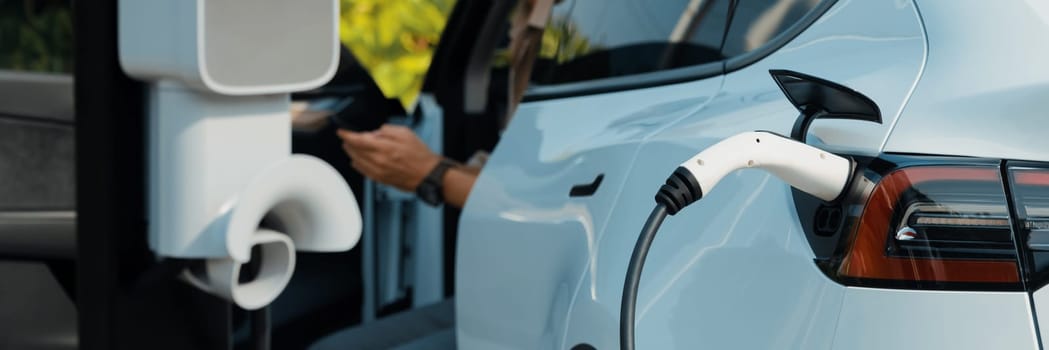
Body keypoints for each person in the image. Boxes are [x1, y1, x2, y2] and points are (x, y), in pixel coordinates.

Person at [336, 0, 553, 208]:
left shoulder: (571, 30)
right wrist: (423, 164)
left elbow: (538, 206)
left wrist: (431, 173)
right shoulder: (536, 21)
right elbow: (513, 182)